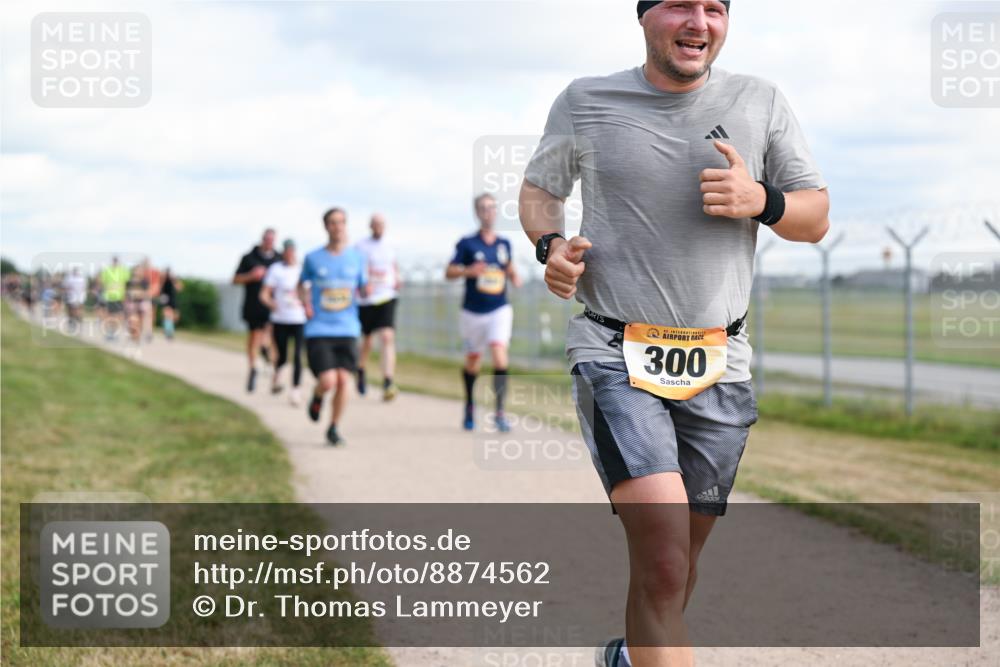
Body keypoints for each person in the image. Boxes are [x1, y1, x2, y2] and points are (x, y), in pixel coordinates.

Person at [518, 2, 830, 666]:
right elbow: (539, 190)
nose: (700, 22)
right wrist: (550, 243)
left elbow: (815, 217)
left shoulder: (761, 100)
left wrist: (765, 201)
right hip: (614, 352)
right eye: (681, 6)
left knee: (677, 568)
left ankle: (629, 656)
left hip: (721, 361)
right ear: (644, 16)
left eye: (714, 8)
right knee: (662, 558)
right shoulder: (586, 100)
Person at [445, 193, 522, 432]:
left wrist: (514, 275)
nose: (488, 212)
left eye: (492, 208)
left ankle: (499, 411)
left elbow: (508, 265)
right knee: (473, 362)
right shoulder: (467, 244)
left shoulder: (504, 244)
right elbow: (449, 272)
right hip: (472, 312)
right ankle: (469, 404)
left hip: (499, 309)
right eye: (483, 208)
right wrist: (468, 271)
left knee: (499, 355)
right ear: (477, 213)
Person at [299, 208, 368, 446]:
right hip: (319, 329)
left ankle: (334, 427)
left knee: (343, 380)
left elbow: (364, 288)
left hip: (348, 328)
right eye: (332, 223)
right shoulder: (313, 258)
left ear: (345, 225)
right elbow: (302, 285)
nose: (337, 227)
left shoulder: (357, 258)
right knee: (328, 380)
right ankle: (317, 396)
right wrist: (305, 304)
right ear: (326, 226)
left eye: (341, 222)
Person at [355, 213, 401, 401]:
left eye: (382, 224)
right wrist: (362, 285)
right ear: (370, 226)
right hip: (367, 299)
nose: (379, 227)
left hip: (387, 295)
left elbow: (393, 265)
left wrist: (397, 278)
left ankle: (388, 380)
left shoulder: (390, 245)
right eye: (375, 224)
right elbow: (356, 268)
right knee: (367, 340)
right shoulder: (360, 246)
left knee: (387, 336)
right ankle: (361, 368)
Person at [260, 240, 307, 406]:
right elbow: (264, 293)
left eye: (292, 251)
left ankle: (295, 390)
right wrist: (272, 304)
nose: (289, 254)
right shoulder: (276, 270)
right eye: (286, 251)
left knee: (298, 355)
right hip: (280, 318)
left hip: (299, 318)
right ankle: (277, 378)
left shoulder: (302, 269)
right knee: (282, 354)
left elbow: (309, 292)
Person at [234, 229, 280, 392]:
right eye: (266, 239)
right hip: (253, 305)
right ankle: (253, 368)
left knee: (270, 336)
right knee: (254, 336)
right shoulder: (249, 258)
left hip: (273, 306)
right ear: (262, 240)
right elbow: (235, 279)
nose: (269, 242)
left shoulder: (278, 259)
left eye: (272, 240)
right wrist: (251, 276)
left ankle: (272, 369)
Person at [99, 256, 130, 341]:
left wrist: (125, 295)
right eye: (114, 261)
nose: (115, 263)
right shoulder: (107, 270)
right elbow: (102, 282)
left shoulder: (123, 271)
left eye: (116, 261)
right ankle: (110, 332)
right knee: (109, 316)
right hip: (109, 296)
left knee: (117, 316)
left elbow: (126, 283)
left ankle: (114, 332)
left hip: (119, 297)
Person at [158, 268, 183, 340]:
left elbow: (179, 288)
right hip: (166, 299)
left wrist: (174, 279)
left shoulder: (174, 280)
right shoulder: (163, 280)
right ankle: (169, 332)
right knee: (168, 316)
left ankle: (168, 329)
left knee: (174, 317)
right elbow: (160, 288)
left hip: (173, 300)